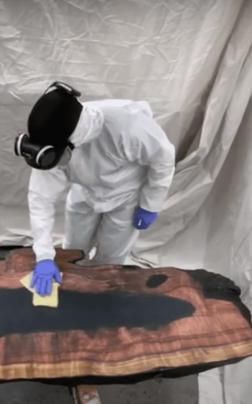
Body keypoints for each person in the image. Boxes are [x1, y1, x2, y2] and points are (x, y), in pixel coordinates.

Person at [13, 81, 175, 296]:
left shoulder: (130, 127)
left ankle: (102, 298)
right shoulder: (50, 138)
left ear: (72, 143)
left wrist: (151, 204)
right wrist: (44, 257)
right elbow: (40, 200)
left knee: (110, 259)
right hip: (84, 192)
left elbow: (163, 160)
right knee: (73, 252)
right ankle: (73, 295)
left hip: (126, 196)